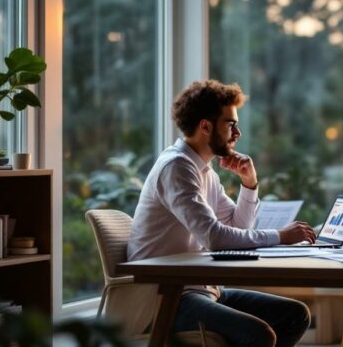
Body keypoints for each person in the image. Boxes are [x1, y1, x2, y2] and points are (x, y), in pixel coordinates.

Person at [127, 80, 316, 347]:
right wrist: (280, 236)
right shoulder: (177, 169)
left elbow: (238, 226)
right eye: (230, 124)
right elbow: (215, 238)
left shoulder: (205, 171)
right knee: (259, 335)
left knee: (294, 315)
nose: (237, 132)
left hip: (202, 289)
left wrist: (249, 184)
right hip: (168, 297)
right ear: (205, 126)